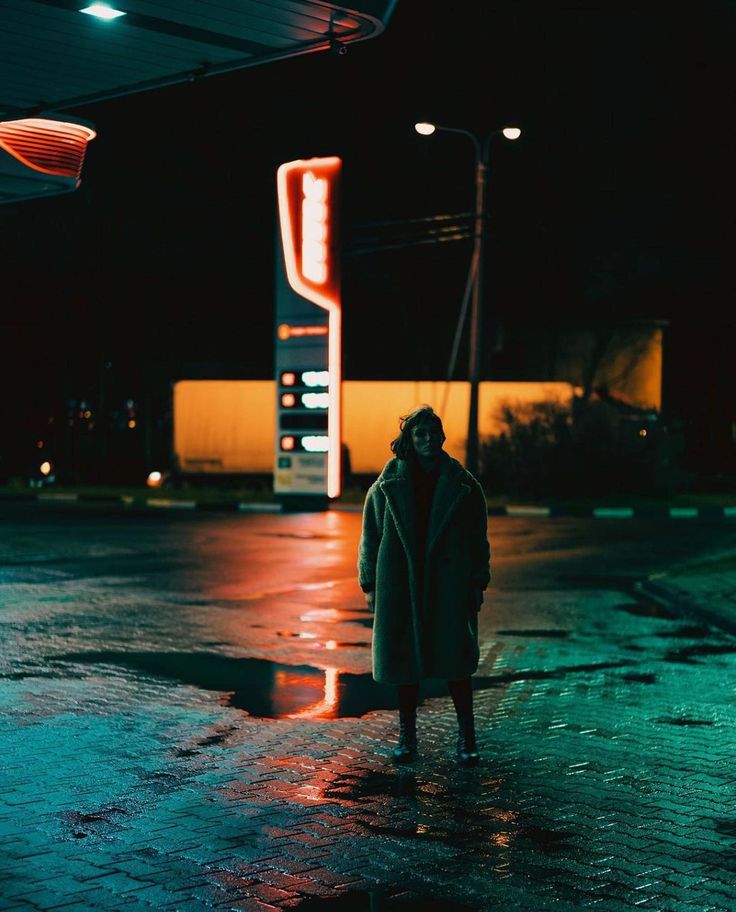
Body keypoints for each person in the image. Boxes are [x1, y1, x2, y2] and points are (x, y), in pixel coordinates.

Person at [358, 405, 491, 766]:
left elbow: (479, 538)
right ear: (409, 439)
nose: (428, 439)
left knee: (456, 663)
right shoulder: (387, 485)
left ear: (443, 437)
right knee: (405, 662)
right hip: (400, 583)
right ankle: (407, 738)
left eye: (433, 433)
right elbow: (370, 535)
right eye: (420, 434)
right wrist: (369, 583)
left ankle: (466, 739)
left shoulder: (464, 485)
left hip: (450, 584)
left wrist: (478, 581)